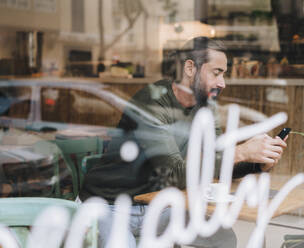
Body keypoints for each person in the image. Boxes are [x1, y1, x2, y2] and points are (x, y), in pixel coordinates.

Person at [80, 36, 287, 247]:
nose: (222, 83)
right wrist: (241, 152)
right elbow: (172, 174)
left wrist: (258, 162)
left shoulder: (206, 108)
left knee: (222, 237)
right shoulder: (153, 103)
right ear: (190, 68)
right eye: (216, 73)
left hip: (156, 206)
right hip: (110, 204)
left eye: (223, 75)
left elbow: (214, 162)